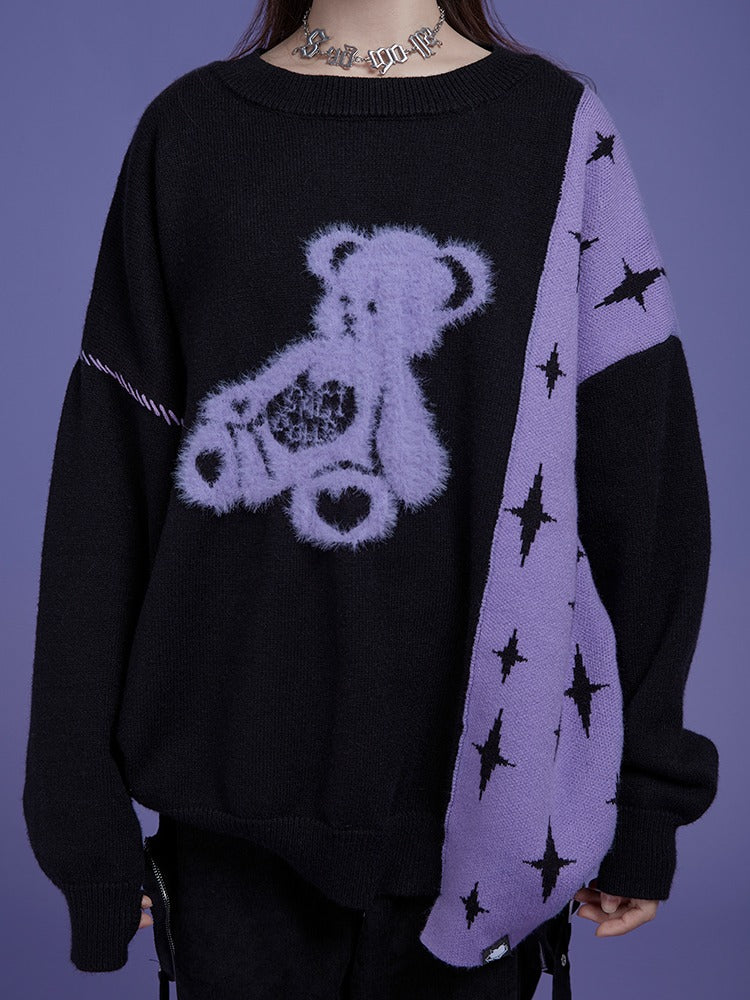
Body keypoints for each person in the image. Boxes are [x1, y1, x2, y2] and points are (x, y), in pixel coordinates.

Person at [21, 2, 720, 998]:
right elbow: (106, 485)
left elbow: (645, 488)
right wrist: (79, 812)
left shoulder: (557, 131)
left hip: (486, 805)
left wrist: (645, 796)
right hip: (229, 819)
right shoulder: (192, 132)